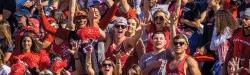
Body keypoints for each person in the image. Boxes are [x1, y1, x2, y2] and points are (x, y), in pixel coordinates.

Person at [223, 7, 250, 75]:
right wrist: (224, 68)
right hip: (233, 70)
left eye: (246, 19)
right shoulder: (236, 32)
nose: (243, 20)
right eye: (243, 18)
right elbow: (230, 51)